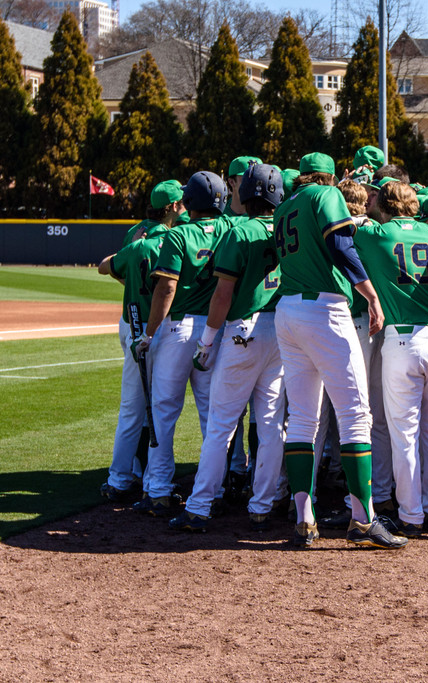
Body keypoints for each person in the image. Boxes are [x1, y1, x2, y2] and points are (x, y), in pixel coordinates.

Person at [272, 152, 405, 549]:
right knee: (355, 414)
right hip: (324, 309)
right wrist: (372, 295)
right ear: (330, 176)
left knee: (302, 418)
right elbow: (342, 246)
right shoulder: (325, 195)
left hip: (288, 309)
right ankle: (363, 520)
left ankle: (303, 519)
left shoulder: (285, 207)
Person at [168, 163, 286, 533]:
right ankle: (263, 504)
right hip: (281, 328)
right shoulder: (286, 226)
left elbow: (223, 293)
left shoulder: (241, 230)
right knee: (270, 425)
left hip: (244, 329)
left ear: (245, 193)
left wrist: (207, 341)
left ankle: (200, 506)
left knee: (221, 426)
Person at [354, 180, 428, 537]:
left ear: (383, 204)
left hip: (403, 340)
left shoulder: (376, 234)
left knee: (404, 435)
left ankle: (411, 515)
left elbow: (349, 226)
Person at [129, 172, 231, 517]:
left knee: (164, 411)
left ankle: (158, 489)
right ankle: (212, 489)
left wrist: (148, 333)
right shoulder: (232, 231)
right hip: (214, 331)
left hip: (177, 330)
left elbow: (166, 289)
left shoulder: (177, 235)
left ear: (189, 203)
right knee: (211, 414)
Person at [97, 180, 185, 502]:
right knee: (161, 408)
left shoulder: (136, 237)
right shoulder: (181, 237)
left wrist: (130, 268)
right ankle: (153, 481)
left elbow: (107, 267)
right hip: (165, 328)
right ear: (173, 207)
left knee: (132, 409)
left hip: (132, 324)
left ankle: (121, 478)